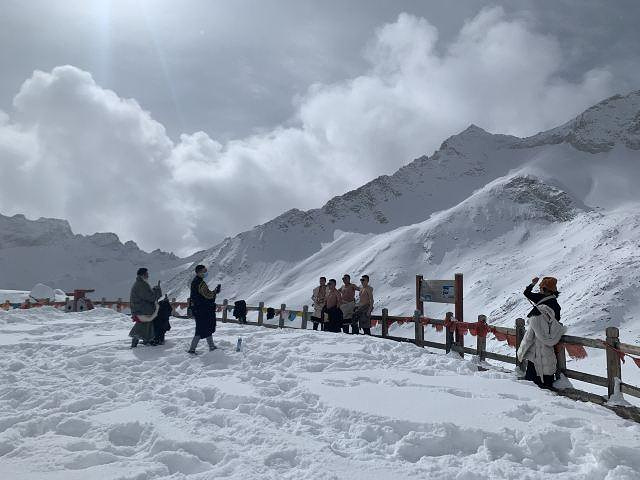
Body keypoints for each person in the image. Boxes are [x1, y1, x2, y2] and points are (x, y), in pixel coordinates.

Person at [517, 276, 565, 389]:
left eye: (541, 288)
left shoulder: (541, 301)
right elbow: (555, 322)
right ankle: (546, 383)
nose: (539, 290)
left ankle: (535, 384)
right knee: (547, 361)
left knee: (535, 364)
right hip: (548, 340)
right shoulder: (555, 305)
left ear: (545, 289)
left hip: (536, 340)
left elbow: (526, 293)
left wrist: (532, 284)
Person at [187, 264, 220, 354]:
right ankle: (192, 349)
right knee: (200, 329)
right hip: (202, 309)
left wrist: (213, 292)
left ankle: (211, 346)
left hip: (199, 309)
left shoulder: (196, 281)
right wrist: (215, 292)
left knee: (207, 328)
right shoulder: (200, 283)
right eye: (203, 271)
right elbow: (207, 295)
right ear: (199, 272)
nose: (205, 273)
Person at [129, 267, 162, 348]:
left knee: (146, 326)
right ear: (143, 275)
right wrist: (157, 291)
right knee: (141, 326)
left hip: (142, 309)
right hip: (142, 310)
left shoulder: (141, 283)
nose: (148, 276)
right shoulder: (141, 285)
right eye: (147, 274)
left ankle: (147, 341)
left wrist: (154, 290)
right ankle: (136, 343)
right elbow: (150, 297)